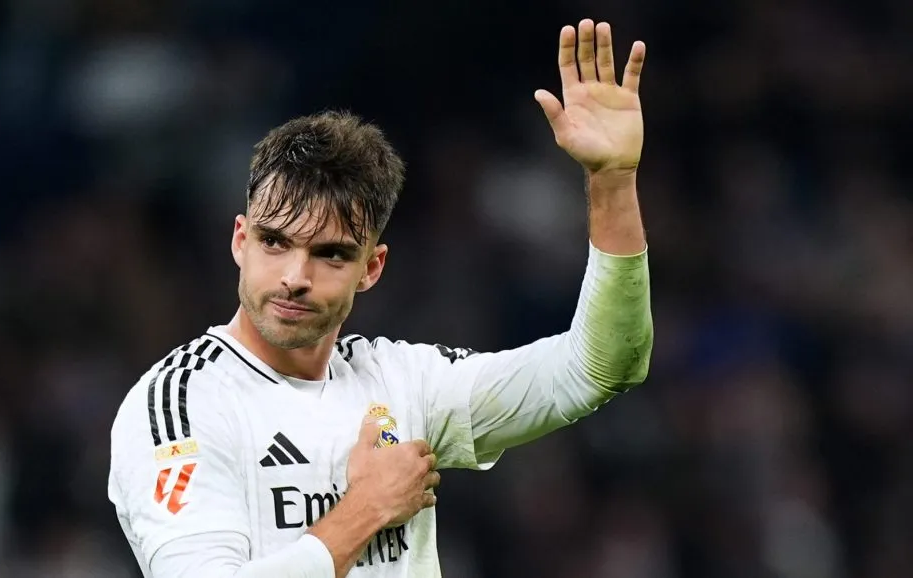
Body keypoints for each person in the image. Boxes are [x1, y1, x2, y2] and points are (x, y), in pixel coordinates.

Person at [108, 18, 653, 578]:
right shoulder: (184, 402)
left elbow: (600, 366)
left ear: (372, 268)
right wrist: (366, 510)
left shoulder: (402, 382)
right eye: (275, 243)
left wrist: (612, 182)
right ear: (240, 240)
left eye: (331, 254)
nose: (296, 275)